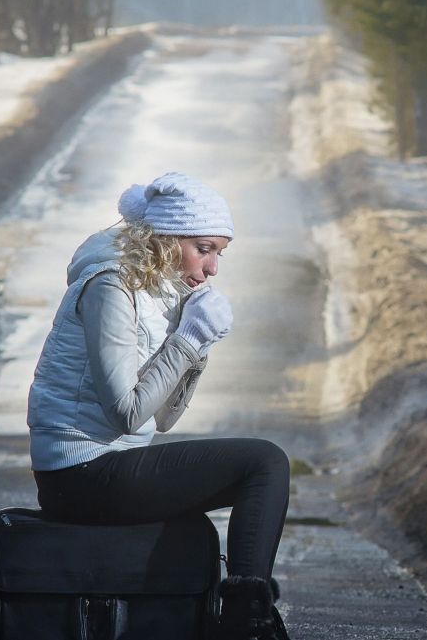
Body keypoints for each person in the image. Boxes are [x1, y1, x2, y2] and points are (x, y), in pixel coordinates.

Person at [26, 171, 291, 640]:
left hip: (110, 466)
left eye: (219, 254)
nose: (212, 269)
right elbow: (126, 414)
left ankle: (242, 616)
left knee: (258, 469)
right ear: (167, 241)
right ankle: (244, 622)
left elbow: (163, 419)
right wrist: (188, 340)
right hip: (79, 474)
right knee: (264, 462)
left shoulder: (155, 293)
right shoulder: (110, 287)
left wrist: (197, 343)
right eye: (204, 249)